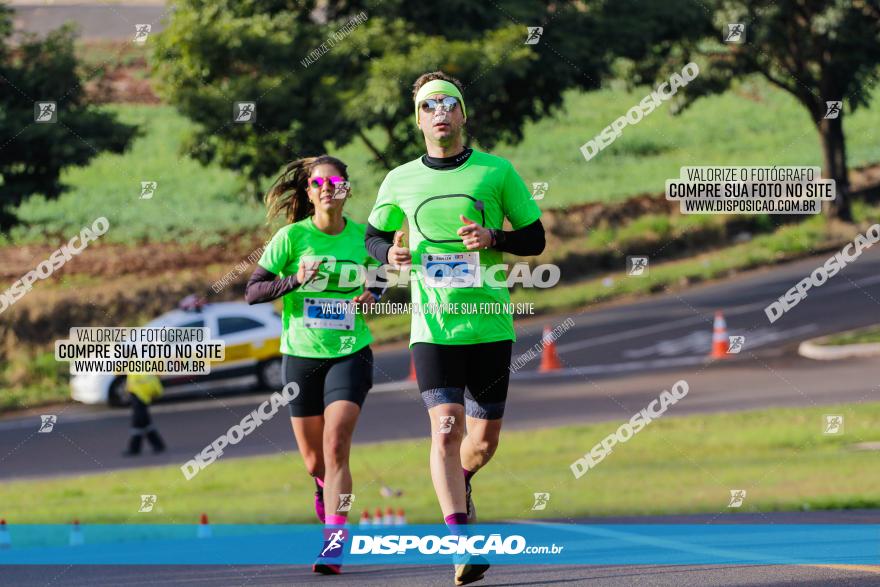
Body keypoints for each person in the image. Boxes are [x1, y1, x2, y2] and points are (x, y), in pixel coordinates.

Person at [365, 72, 545, 585]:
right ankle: (460, 543)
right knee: (445, 426)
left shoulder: (496, 171)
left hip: (488, 324)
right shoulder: (399, 179)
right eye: (429, 105)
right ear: (418, 118)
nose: (440, 112)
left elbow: (534, 239)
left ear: (463, 114)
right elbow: (375, 239)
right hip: (433, 327)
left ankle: (460, 481)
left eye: (449, 103)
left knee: (482, 442)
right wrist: (390, 253)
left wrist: (493, 235)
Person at [245, 154, 383, 575]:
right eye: (318, 183)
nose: (327, 188)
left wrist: (372, 295)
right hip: (302, 355)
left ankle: (334, 544)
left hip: (350, 351)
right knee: (314, 462)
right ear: (309, 191)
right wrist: (296, 281)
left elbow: (381, 277)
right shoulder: (290, 238)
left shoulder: (363, 238)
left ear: (346, 188)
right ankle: (323, 490)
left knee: (337, 445)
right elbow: (253, 291)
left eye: (335, 181)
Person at [122, 372, 166, 456]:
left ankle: (134, 449)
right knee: (145, 423)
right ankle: (158, 445)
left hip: (139, 397)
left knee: (137, 424)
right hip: (141, 396)